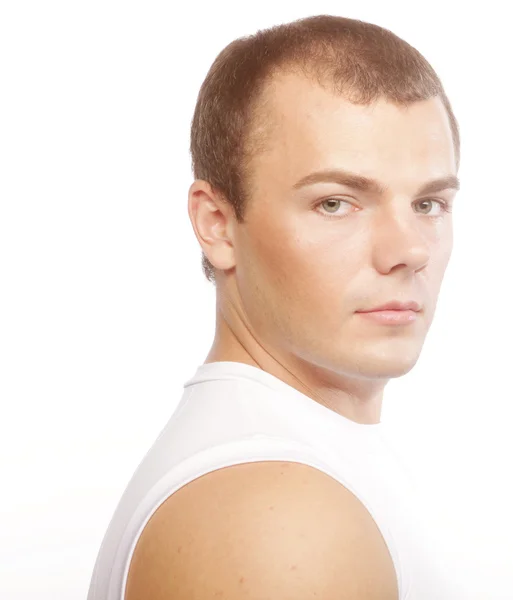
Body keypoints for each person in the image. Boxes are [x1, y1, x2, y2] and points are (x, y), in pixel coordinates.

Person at [88, 14, 462, 600]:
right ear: (217, 224)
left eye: (429, 203)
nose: (409, 250)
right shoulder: (280, 521)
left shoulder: (303, 466)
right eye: (336, 203)